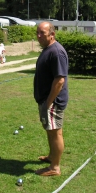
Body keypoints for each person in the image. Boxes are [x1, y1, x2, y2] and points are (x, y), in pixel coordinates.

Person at [34, 21, 68, 177]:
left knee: (55, 133)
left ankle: (55, 168)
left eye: (42, 33)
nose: (38, 36)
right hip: (46, 100)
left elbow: (60, 80)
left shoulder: (57, 52)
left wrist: (48, 102)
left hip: (53, 101)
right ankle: (51, 157)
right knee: (50, 130)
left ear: (52, 34)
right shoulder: (48, 49)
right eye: (37, 33)